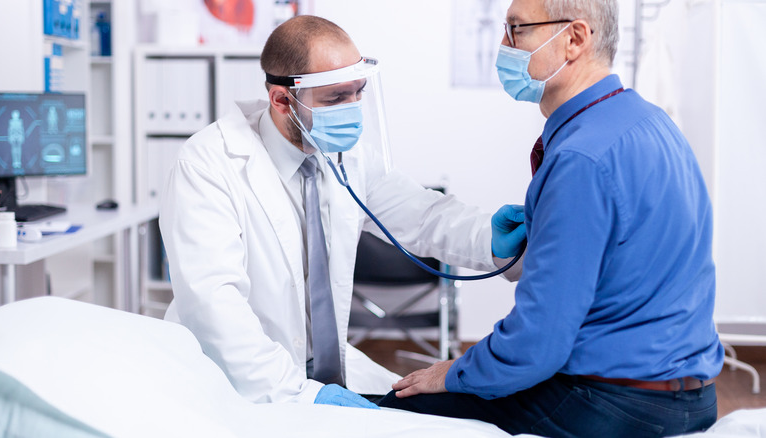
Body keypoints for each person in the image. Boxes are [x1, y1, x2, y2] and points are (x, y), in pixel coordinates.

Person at [379, 0, 724, 435]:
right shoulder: (651, 123)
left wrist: (453, 372)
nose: (502, 45)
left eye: (516, 29)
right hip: (690, 396)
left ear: (575, 39)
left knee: (397, 406)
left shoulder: (581, 157)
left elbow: (536, 346)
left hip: (615, 403)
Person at [159, 15, 525, 409]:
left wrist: (490, 237)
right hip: (238, 381)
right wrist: (301, 396)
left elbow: (421, 215)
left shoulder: (347, 157)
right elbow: (215, 308)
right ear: (282, 100)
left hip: (319, 371)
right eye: (335, 98)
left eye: (358, 93)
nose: (352, 110)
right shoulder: (208, 164)